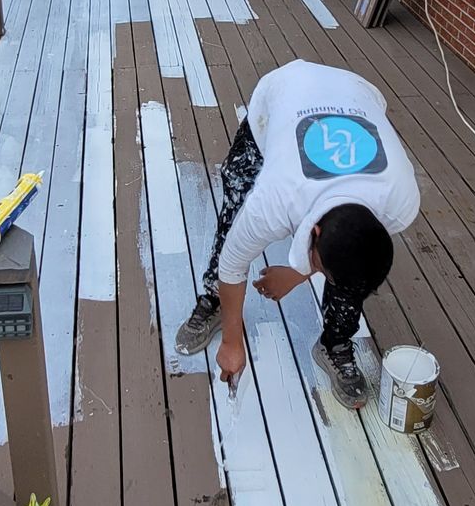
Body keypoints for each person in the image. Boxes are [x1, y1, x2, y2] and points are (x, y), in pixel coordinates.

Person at [175, 59, 421, 408]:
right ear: (314, 231)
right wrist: (232, 342)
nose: (315, 271)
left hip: (357, 93)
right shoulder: (276, 198)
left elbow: (348, 263)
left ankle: (335, 342)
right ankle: (214, 300)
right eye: (317, 264)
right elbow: (234, 263)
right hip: (286, 92)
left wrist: (295, 273)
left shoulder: (401, 200)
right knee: (236, 198)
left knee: (352, 272)